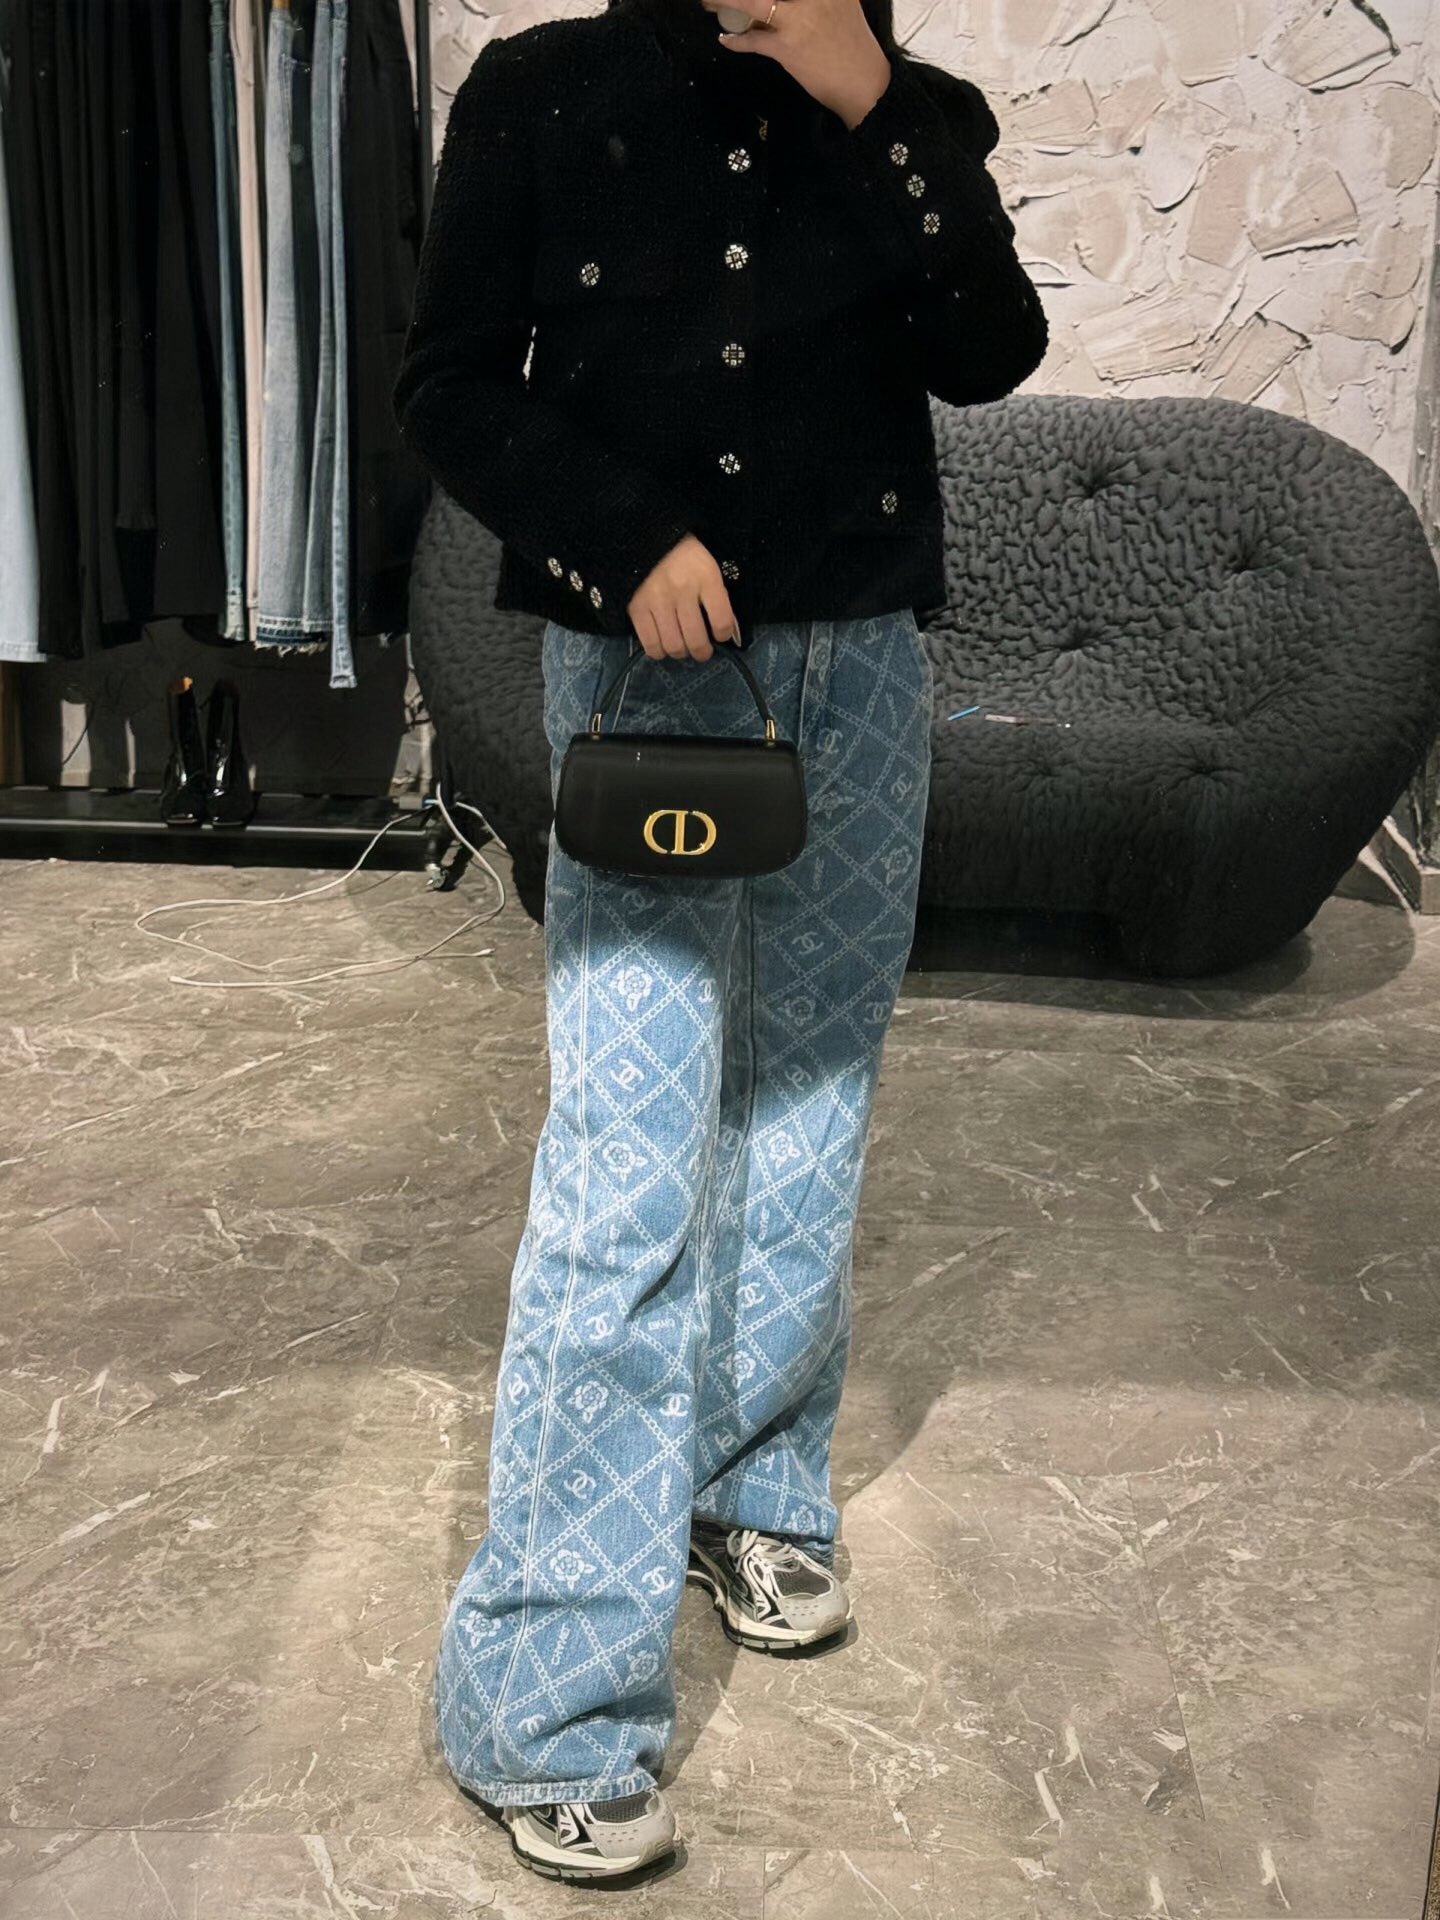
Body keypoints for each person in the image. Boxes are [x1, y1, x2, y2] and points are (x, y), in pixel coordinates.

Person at [391, 0, 1046, 1885]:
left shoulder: (910, 109)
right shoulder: (544, 89)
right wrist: (625, 535)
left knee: (810, 1103)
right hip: (652, 679)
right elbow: (451, 385)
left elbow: (992, 355)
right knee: (629, 1164)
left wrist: (870, 99)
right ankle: (543, 1700)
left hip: (866, 677)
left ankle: (750, 1479)